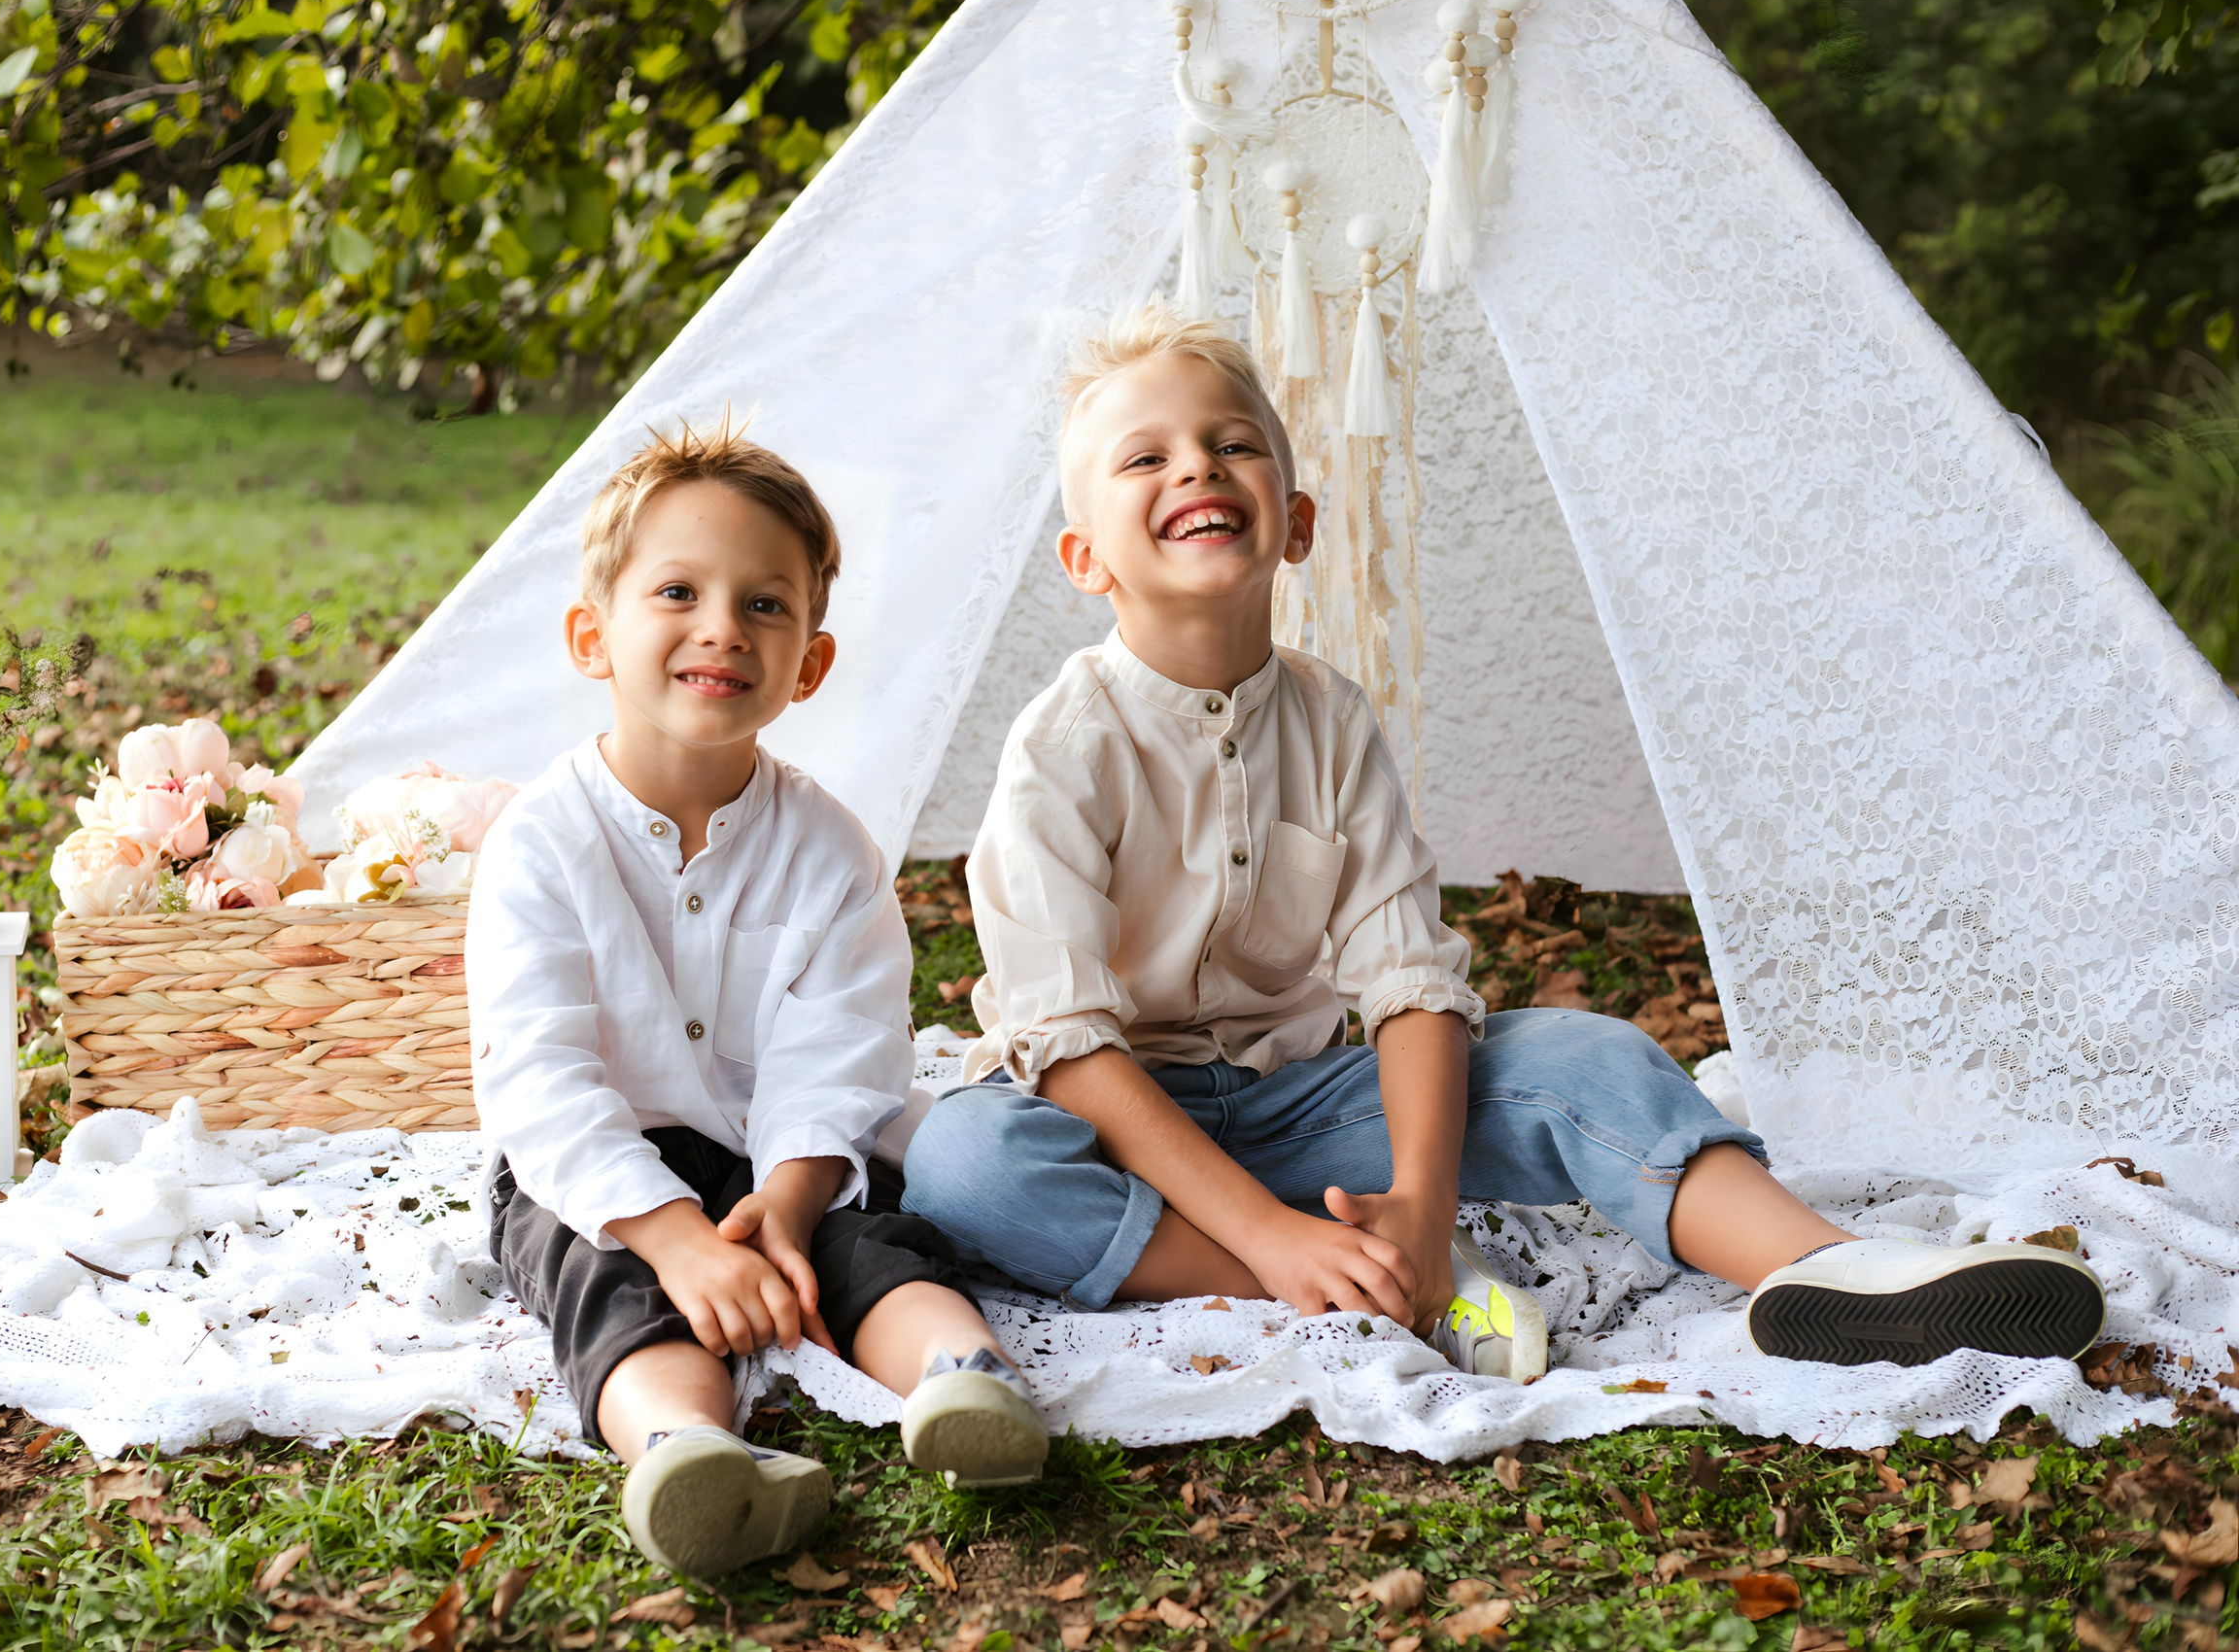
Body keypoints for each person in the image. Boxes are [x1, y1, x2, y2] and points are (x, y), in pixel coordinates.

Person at [898, 306, 2106, 1380]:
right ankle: (1328, 1277)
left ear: (1296, 520)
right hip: (1118, 1119)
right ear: (1086, 559)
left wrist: (1424, 1206)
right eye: (1145, 457)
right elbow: (1071, 1050)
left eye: (1232, 443)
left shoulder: (1328, 717)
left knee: (1582, 1057)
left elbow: (1407, 982)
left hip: (1297, 1102)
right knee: (965, 1160)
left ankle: (1824, 1267)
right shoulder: (1063, 745)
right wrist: (1273, 1233)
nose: (1197, 467)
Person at [470, 424, 1047, 1579]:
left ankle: (962, 1381)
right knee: (605, 1279)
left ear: (810, 664)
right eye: (677, 591)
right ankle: (684, 1446)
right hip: (597, 1168)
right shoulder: (539, 841)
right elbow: (541, 1078)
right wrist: (680, 1241)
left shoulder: (829, 848)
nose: (723, 626)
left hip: (775, 1153)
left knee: (871, 1240)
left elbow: (838, 1053)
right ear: (592, 635)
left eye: (765, 604)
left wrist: (782, 1208)